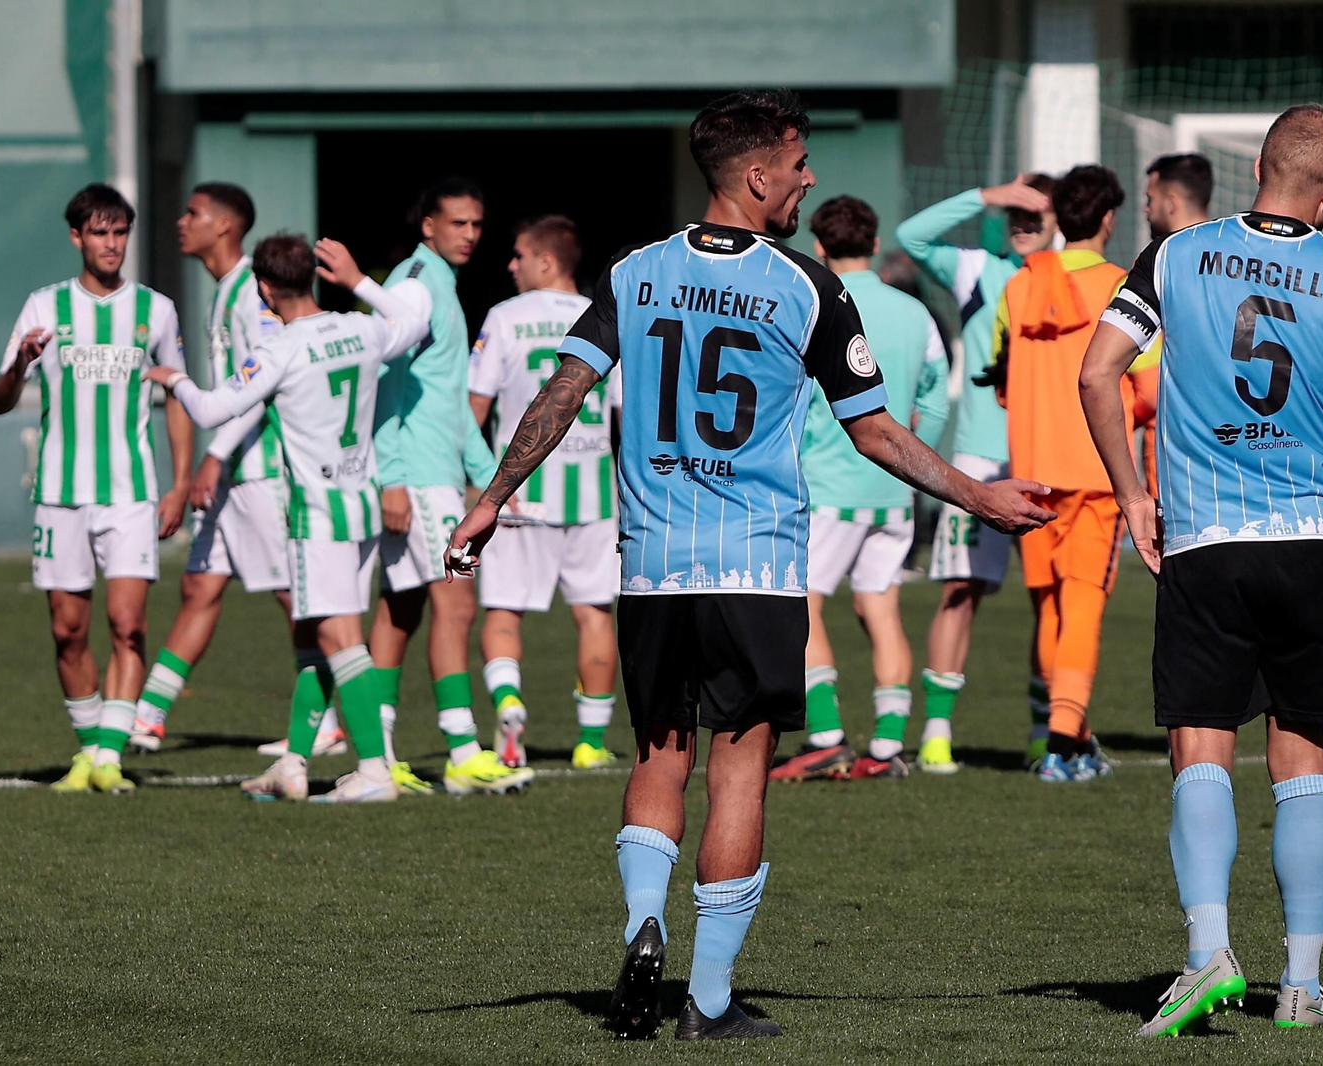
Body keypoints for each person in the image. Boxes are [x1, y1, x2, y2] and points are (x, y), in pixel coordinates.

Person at [443, 89, 1053, 1041]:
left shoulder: (636, 270)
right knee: (740, 771)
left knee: (657, 753)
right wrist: (980, 496)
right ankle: (711, 1001)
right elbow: (876, 431)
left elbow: (563, 392)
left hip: (651, 563)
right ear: (758, 174)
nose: (811, 177)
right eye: (800, 162)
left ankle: (646, 924)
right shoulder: (805, 282)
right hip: (758, 566)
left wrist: (490, 497)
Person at [1081, 103, 1323, 1036]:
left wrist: (1133, 497)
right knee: (1302, 758)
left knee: (1201, 746)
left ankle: (1207, 957)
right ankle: (1301, 987)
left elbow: (1096, 374)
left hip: (1206, 538)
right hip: (1310, 539)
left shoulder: (1176, 254)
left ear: (1260, 165)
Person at [147, 233, 430, 803]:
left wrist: (172, 378)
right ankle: (294, 765)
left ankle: (375, 770)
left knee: (338, 637)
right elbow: (412, 321)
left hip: (317, 512)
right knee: (317, 636)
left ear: (263, 287)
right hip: (362, 504)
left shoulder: (281, 348)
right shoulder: (362, 328)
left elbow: (210, 408)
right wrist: (359, 280)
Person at [0, 183, 192, 794]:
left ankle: (107, 758)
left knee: (128, 624)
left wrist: (181, 482)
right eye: (99, 233)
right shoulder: (43, 307)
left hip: (131, 493)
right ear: (76, 236)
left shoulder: (155, 310)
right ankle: (90, 751)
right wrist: (20, 363)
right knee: (67, 630)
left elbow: (177, 394)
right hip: (59, 494)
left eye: (120, 232)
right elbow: (2, 402)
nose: (111, 244)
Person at [130, 183, 339, 753]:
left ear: (224, 226)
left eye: (192, 213)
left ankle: (325, 724)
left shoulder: (253, 291)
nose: (181, 221)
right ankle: (147, 715)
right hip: (232, 476)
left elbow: (264, 389)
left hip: (264, 473)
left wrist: (214, 454)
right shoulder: (226, 291)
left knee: (296, 596)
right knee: (199, 587)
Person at [770, 195, 948, 781]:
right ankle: (889, 743)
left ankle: (825, 736)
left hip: (829, 487)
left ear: (818, 247)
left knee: (804, 606)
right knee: (881, 607)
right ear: (874, 244)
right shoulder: (914, 312)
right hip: (896, 491)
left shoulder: (813, 302)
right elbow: (933, 399)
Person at [366, 178, 531, 796]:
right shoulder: (414, 283)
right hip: (419, 475)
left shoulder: (438, 283)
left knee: (402, 606)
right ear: (428, 224)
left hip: (435, 471)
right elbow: (382, 381)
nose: (469, 234)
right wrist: (394, 478)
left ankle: (377, 756)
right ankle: (462, 750)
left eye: (476, 224)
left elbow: (450, 400)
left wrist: (489, 475)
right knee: (456, 605)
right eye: (457, 223)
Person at [893, 173, 1055, 773]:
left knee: (1051, 601)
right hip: (979, 464)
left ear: (1059, 221)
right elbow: (910, 235)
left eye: (1034, 215)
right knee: (960, 592)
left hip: (1046, 462)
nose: (1022, 225)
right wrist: (988, 197)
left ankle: (1047, 731)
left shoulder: (1075, 282)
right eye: (1015, 216)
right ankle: (936, 733)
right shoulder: (976, 271)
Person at [991, 165, 1134, 783]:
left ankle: (1069, 737)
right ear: (1106, 219)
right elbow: (1148, 382)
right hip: (1097, 473)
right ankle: (1061, 743)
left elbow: (1000, 376)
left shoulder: (1020, 286)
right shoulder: (1122, 286)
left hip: (1033, 471)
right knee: (1082, 608)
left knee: (1049, 608)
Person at [469, 216, 623, 771]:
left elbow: (475, 409)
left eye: (518, 255)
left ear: (548, 261)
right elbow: (622, 416)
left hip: (517, 496)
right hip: (595, 495)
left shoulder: (504, 319)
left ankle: (509, 702)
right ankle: (591, 742)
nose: (510, 265)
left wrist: (481, 484)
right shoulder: (606, 315)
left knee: (505, 612)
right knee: (594, 615)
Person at [1131, 154, 1215, 496]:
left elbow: (1147, 385)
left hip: (1172, 440)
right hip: (1232, 437)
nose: (1146, 210)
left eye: (1149, 200)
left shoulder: (1158, 262)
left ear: (1171, 202)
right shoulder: (1236, 257)